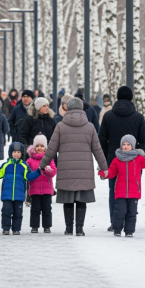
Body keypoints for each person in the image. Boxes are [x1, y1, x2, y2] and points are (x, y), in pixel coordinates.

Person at [39, 97, 108, 235]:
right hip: (84, 171)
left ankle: (69, 228)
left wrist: (43, 164)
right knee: (81, 200)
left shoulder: (60, 126)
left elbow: (51, 148)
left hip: (66, 170)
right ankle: (80, 229)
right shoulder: (90, 127)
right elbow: (97, 150)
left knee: (68, 200)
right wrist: (104, 167)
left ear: (67, 108)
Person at [98, 86, 145, 231]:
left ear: (117, 98)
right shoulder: (138, 117)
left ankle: (115, 223)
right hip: (134, 162)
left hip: (113, 160)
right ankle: (129, 222)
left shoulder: (108, 116)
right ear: (131, 99)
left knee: (114, 191)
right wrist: (140, 154)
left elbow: (102, 140)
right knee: (132, 190)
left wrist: (106, 159)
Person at [99, 135, 145, 237]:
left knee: (131, 213)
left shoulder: (138, 158)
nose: (125, 146)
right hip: (120, 191)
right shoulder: (117, 159)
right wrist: (105, 173)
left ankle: (129, 231)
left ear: (133, 146)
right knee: (119, 211)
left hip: (134, 191)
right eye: (124, 144)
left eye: (128, 144)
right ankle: (117, 229)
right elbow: (112, 171)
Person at [0, 142, 43, 235]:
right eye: (14, 152)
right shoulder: (6, 165)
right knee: (6, 212)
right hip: (7, 195)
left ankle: (16, 229)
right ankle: (6, 228)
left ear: (22, 154)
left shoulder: (24, 166)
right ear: (10, 153)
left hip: (19, 195)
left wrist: (38, 171)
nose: (16, 154)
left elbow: (29, 177)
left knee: (18, 213)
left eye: (19, 152)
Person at [25, 135, 56, 233]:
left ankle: (47, 226)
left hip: (47, 188)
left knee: (47, 209)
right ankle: (34, 226)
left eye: (42, 146)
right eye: (37, 146)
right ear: (34, 147)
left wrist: (48, 171)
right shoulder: (29, 161)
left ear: (45, 148)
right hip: (34, 189)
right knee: (35, 209)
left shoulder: (49, 159)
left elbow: (54, 172)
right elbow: (27, 175)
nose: (39, 148)